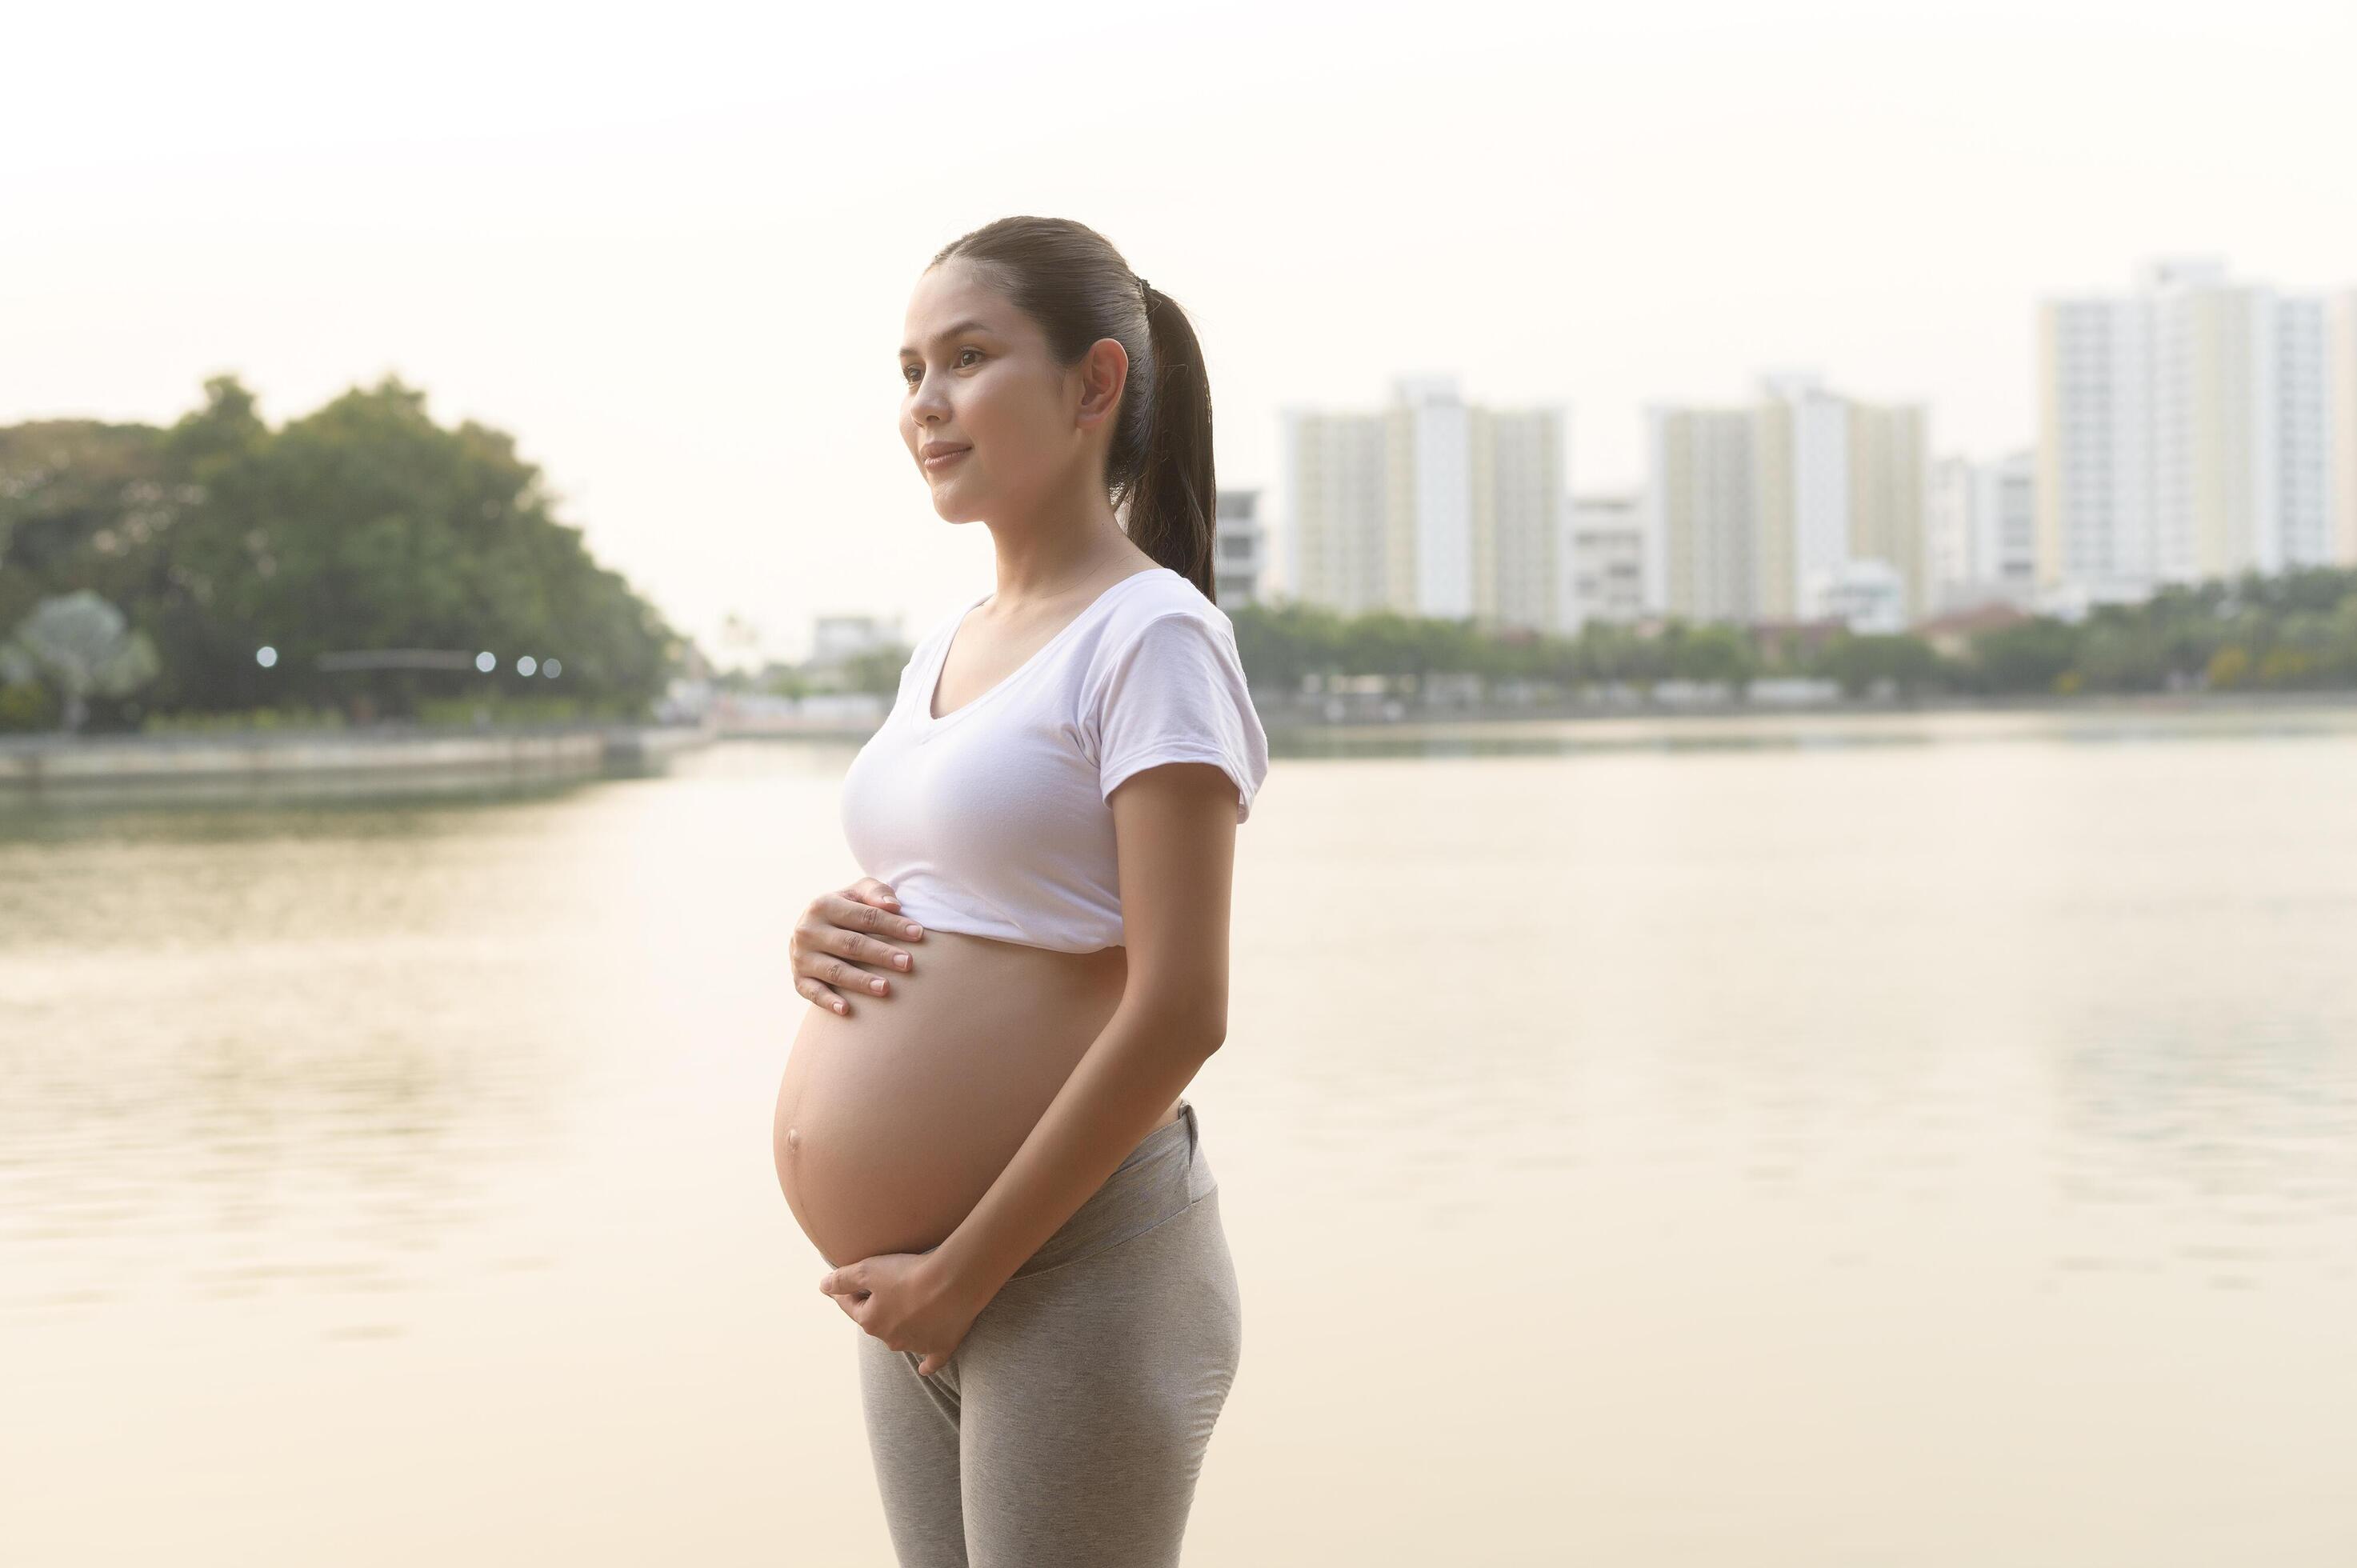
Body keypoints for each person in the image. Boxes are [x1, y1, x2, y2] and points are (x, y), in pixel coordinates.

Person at [770, 214, 1270, 1568]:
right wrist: (826, 930)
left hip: (1067, 1264)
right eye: (911, 369)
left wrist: (965, 1273)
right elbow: (972, 887)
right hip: (920, 1282)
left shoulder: (1152, 635)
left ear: (1094, 383)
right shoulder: (950, 640)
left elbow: (1180, 1008)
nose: (925, 406)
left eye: (969, 358)